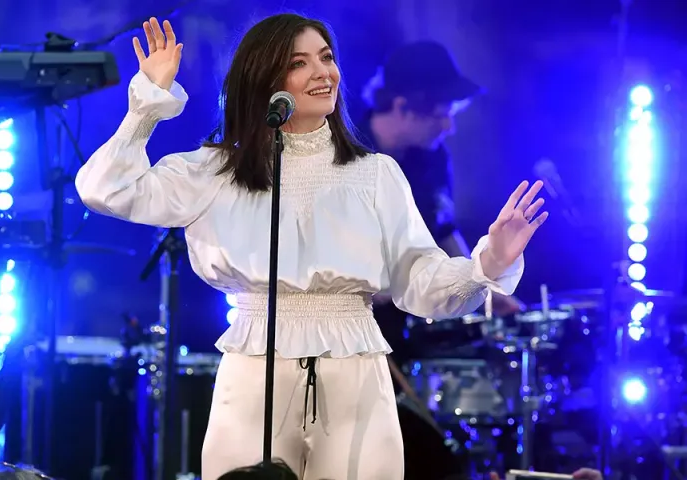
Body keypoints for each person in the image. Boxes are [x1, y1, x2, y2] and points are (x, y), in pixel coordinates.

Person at [75, 12, 547, 480]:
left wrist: (489, 262)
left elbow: (419, 283)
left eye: (326, 57)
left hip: (356, 371)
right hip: (254, 364)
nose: (324, 72)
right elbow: (105, 190)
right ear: (265, 78)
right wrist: (145, 107)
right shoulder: (215, 169)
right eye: (301, 63)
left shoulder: (374, 173)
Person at [359, 41, 525, 479]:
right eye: (440, 112)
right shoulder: (347, 149)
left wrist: (485, 278)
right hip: (353, 326)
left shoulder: (432, 158)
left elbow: (445, 225)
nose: (449, 125)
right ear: (402, 105)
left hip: (411, 316)